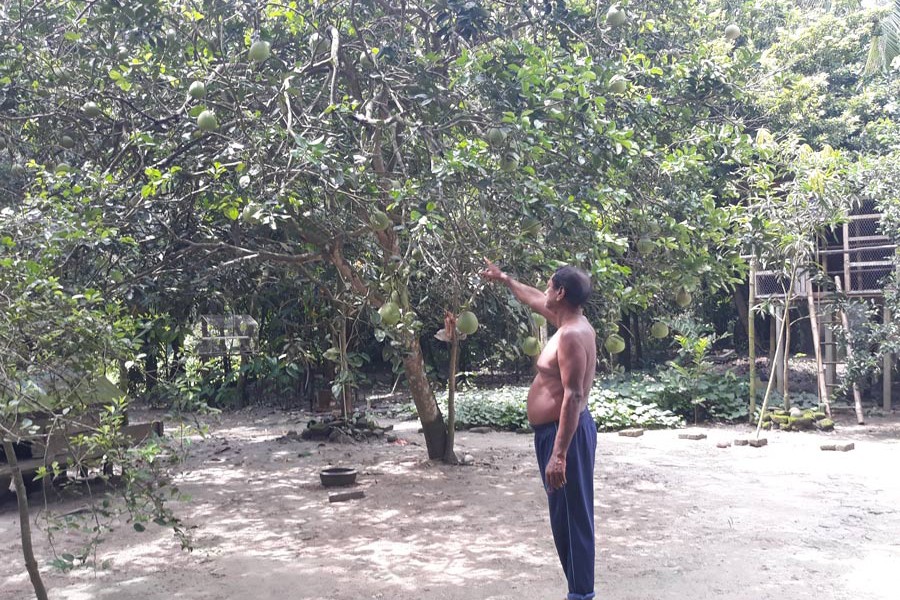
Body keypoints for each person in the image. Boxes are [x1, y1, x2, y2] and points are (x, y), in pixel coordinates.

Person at [481, 258, 597, 600]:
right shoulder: (567, 322)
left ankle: (581, 595)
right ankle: (578, 592)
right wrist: (504, 279)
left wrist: (559, 454)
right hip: (554, 434)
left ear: (560, 293)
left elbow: (574, 396)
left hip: (566, 436)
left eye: (549, 285)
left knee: (573, 520)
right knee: (562, 520)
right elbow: (532, 297)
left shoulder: (573, 335)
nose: (544, 290)